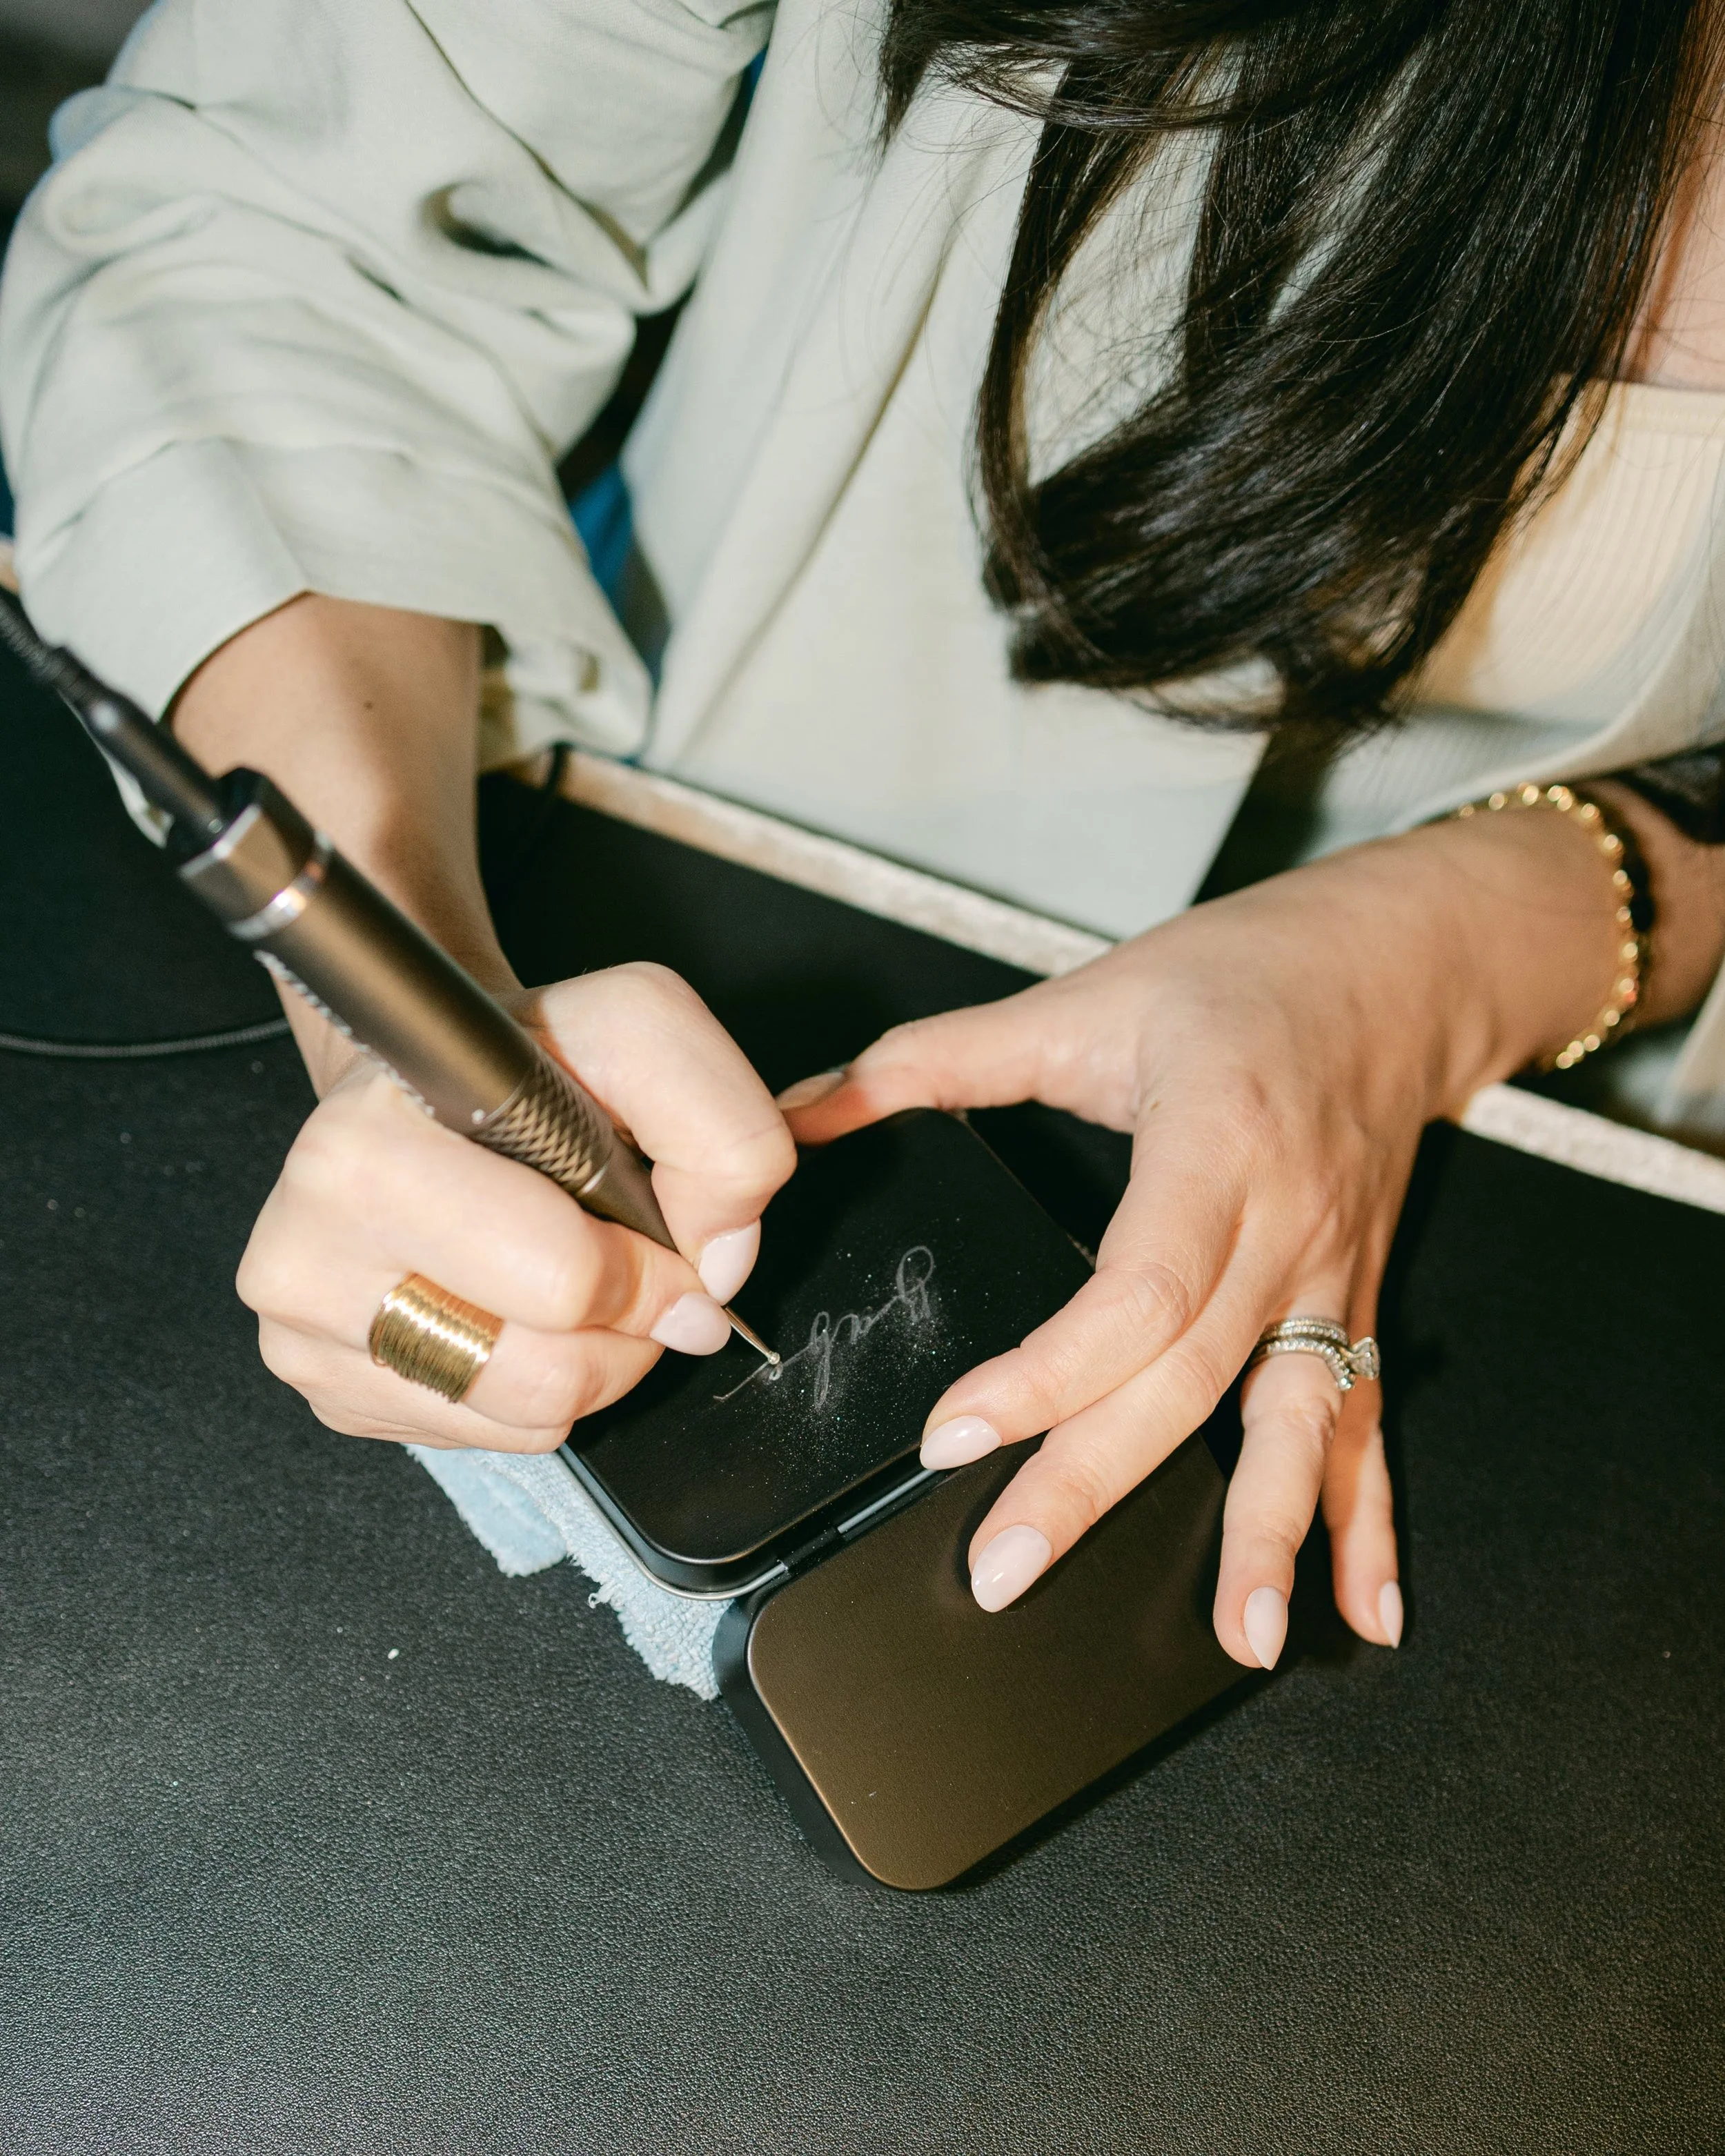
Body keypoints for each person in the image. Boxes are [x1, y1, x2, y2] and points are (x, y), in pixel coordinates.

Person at [3, 0, 1724, 1674]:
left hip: (1589, 1166)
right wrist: (401, 984)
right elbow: (277, 251)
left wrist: (1442, 963)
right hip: (684, 915)